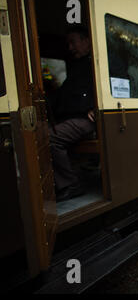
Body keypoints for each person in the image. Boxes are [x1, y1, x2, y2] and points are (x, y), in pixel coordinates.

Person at [48, 25, 96, 202]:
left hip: (85, 119)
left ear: (86, 41)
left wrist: (94, 107)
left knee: (49, 138)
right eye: (68, 43)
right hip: (70, 117)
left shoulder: (97, 62)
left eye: (73, 42)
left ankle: (70, 184)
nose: (70, 48)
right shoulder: (75, 66)